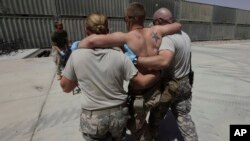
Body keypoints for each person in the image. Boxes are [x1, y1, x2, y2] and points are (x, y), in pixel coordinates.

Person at [78, 2, 181, 140]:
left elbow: (90, 42)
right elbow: (178, 25)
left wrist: (76, 46)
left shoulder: (126, 37)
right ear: (143, 18)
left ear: (128, 18)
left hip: (140, 94)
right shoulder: (156, 31)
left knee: (135, 127)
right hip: (157, 87)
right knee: (153, 121)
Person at [60, 12, 160, 141]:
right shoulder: (120, 55)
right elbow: (139, 82)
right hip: (119, 115)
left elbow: (66, 87)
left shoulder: (76, 56)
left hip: (93, 118)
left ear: (86, 31)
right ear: (107, 31)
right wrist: (157, 74)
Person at [137, 8, 198, 141]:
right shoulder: (184, 35)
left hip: (170, 85)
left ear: (159, 20)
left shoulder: (167, 39)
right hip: (185, 81)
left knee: (156, 115)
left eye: (154, 22)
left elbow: (164, 61)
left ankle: (151, 137)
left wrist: (138, 60)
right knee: (183, 115)